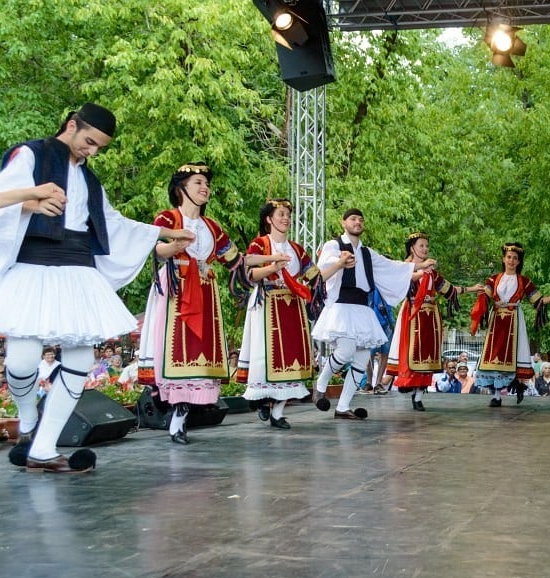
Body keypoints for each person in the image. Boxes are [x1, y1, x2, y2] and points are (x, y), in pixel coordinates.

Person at [0, 103, 192, 471]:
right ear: (71, 125)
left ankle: (43, 449)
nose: (93, 151)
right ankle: (27, 420)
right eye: (89, 142)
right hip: (33, 267)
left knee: (80, 359)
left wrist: (165, 232)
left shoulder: (89, 179)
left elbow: (114, 224)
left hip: (77, 272)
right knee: (22, 360)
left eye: (100, 147)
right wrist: (32, 199)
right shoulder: (31, 155)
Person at [137, 163, 258, 445]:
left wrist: (267, 263)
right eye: (198, 183)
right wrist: (176, 245)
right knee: (173, 353)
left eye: (206, 184)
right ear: (181, 188)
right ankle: (174, 416)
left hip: (204, 291)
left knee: (198, 358)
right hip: (175, 290)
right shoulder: (167, 218)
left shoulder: (212, 228)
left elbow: (235, 261)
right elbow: (157, 250)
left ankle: (180, 416)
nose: (205, 188)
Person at [312, 208, 434, 419]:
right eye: (353, 218)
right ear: (343, 223)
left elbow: (392, 266)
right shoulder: (334, 246)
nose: (357, 222)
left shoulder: (367, 252)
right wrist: (340, 262)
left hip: (362, 309)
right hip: (342, 306)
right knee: (345, 351)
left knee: (361, 359)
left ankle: (342, 407)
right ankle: (321, 383)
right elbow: (322, 272)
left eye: (360, 219)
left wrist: (420, 267)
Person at [236, 199, 322, 429]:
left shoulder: (297, 250)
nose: (285, 218)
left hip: (292, 307)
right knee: (266, 355)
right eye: (281, 214)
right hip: (267, 304)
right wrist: (272, 267)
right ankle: (264, 400)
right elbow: (248, 273)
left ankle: (278, 411)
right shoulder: (260, 244)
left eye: (287, 215)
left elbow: (315, 276)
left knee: (292, 358)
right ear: (269, 219)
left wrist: (334, 270)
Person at [386, 232, 478, 411]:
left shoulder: (433, 274)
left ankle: (419, 395)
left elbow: (450, 289)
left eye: (427, 246)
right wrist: (420, 269)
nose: (425, 249)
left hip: (430, 318)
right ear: (412, 247)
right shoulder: (404, 267)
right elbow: (399, 280)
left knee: (427, 357)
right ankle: (408, 384)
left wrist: (473, 288)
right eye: (421, 245)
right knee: (410, 352)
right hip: (412, 314)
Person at [470, 243, 550, 407]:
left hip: (514, 321)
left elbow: (538, 301)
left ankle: (517, 386)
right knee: (494, 357)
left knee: (514, 355)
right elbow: (485, 296)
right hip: (496, 320)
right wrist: (480, 300)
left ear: (518, 262)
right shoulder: (493, 279)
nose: (511, 260)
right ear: (503, 259)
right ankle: (496, 396)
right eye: (509, 257)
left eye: (515, 258)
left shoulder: (524, 281)